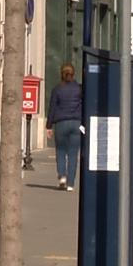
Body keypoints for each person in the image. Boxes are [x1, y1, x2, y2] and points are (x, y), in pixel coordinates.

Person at [46, 63, 82, 192]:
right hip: (76, 123)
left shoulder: (57, 89)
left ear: (61, 73)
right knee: (73, 154)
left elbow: (52, 108)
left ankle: (62, 176)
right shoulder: (79, 89)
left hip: (61, 123)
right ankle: (71, 184)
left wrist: (48, 126)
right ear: (73, 74)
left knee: (60, 151)